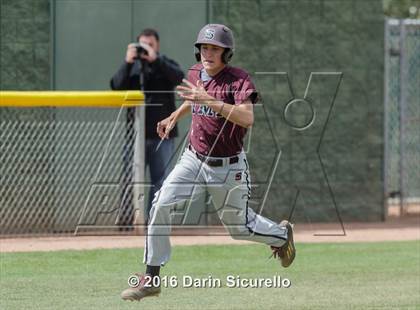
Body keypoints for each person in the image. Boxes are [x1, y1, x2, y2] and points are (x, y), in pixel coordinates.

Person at [121, 24, 296, 301]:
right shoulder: (195, 72)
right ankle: (152, 276)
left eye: (215, 48)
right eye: (204, 47)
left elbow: (247, 118)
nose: (208, 53)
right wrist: (174, 117)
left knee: (240, 229)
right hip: (193, 157)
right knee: (161, 203)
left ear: (227, 53)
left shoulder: (239, 80)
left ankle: (281, 235)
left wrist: (210, 99)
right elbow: (194, 100)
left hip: (228, 167)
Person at [110, 28, 184, 225]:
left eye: (149, 45)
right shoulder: (132, 68)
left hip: (162, 136)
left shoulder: (164, 64)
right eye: (142, 45)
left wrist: (155, 59)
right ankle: (127, 223)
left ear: (157, 46)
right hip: (135, 137)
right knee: (129, 180)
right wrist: (127, 62)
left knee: (160, 181)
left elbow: (179, 77)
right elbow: (115, 86)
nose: (145, 50)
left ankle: (155, 221)